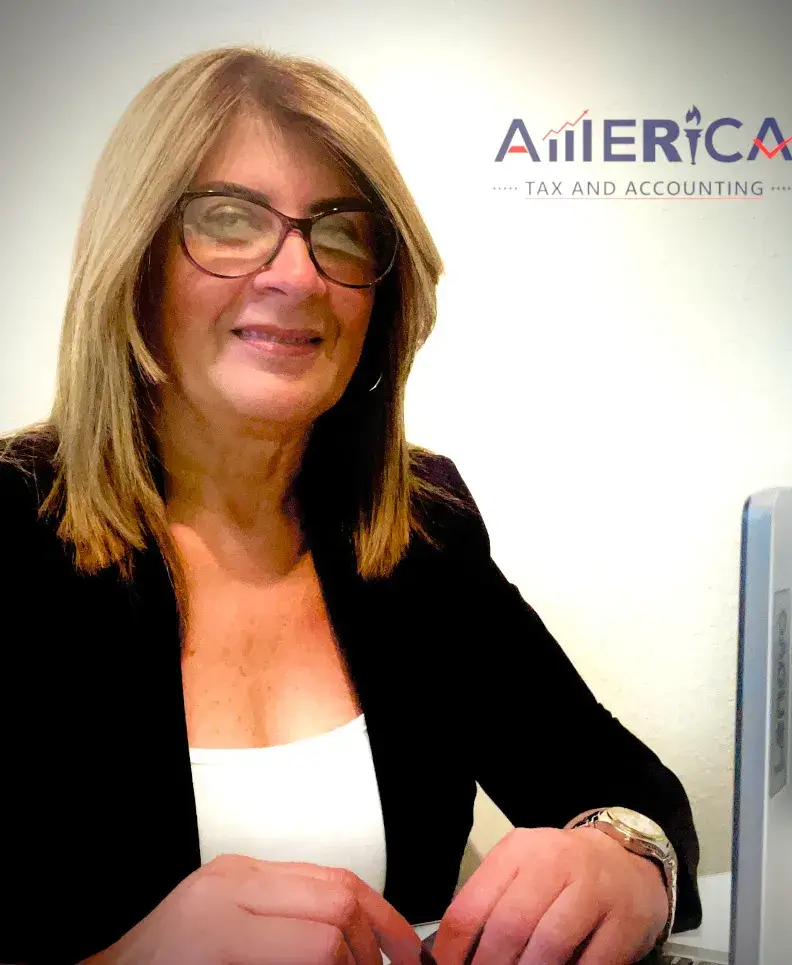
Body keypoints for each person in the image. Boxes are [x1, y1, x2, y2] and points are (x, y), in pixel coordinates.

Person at [0, 44, 702, 965]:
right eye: (228, 219)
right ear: (132, 260)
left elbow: (633, 791)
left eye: (341, 231)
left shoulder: (421, 528)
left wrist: (628, 859)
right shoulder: (9, 532)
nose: (298, 275)